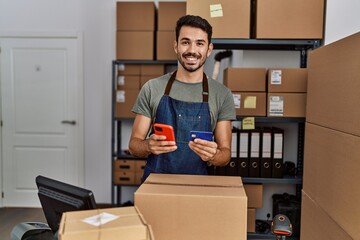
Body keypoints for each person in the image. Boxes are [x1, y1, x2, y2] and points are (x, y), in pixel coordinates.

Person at [128, 15, 236, 182]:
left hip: (198, 187)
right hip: (156, 185)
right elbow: (134, 145)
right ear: (176, 46)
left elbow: (226, 154)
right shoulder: (152, 88)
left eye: (199, 43)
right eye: (185, 42)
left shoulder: (222, 95)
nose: (192, 50)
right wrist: (148, 145)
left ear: (209, 49)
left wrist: (214, 155)